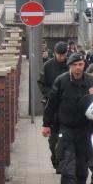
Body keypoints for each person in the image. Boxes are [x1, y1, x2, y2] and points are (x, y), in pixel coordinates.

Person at [42, 53, 93, 184]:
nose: (78, 68)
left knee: (83, 161)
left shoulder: (92, 82)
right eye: (75, 65)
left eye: (80, 64)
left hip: (85, 128)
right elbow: (52, 104)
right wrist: (46, 124)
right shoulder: (61, 81)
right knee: (67, 159)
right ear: (70, 66)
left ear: (84, 65)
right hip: (66, 126)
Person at [37, 41, 70, 171]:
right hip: (52, 107)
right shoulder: (48, 66)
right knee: (54, 140)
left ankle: (64, 162)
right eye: (59, 54)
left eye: (64, 54)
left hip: (67, 107)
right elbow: (41, 84)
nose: (61, 57)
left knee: (67, 138)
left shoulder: (71, 65)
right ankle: (56, 159)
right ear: (55, 53)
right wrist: (51, 94)